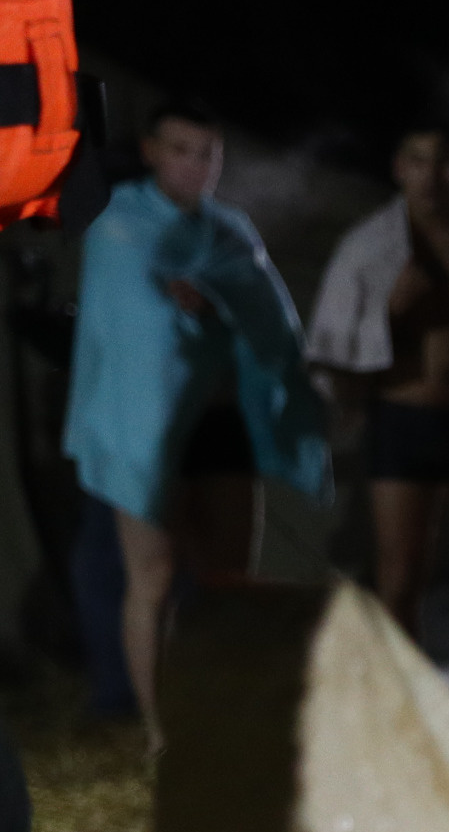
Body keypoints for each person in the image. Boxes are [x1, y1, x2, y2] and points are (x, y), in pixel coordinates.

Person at [62, 96, 327, 742]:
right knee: (150, 579)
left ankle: (223, 720)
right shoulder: (119, 223)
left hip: (222, 422)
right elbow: (129, 321)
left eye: (208, 153)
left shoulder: (230, 230)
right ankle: (163, 736)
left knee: (228, 581)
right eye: (181, 150)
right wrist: (192, 307)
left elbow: (271, 326)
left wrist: (218, 304)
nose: (196, 166)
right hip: (144, 430)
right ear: (152, 151)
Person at [306, 127, 449, 653]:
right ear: (400, 167)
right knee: (401, 578)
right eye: (418, 161)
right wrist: (395, 308)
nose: (429, 174)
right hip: (407, 417)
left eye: (441, 162)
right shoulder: (370, 246)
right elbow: (337, 340)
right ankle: (407, 708)